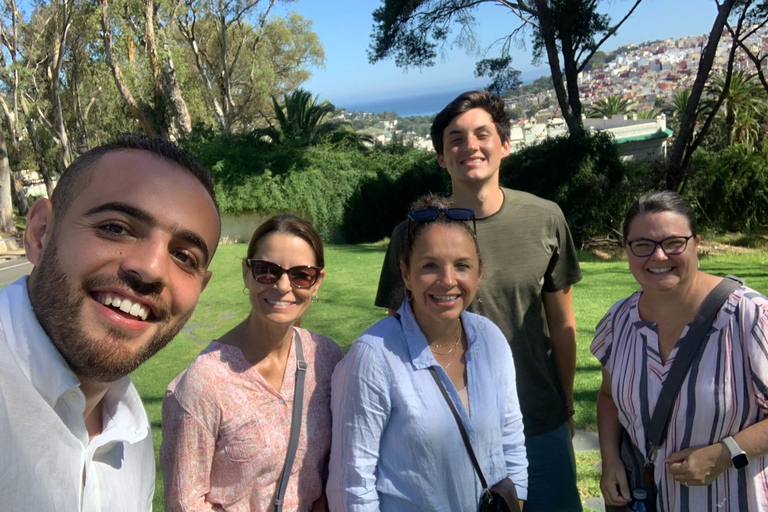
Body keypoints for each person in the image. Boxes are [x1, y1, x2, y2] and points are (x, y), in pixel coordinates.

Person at [374, 90, 582, 511]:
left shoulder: (545, 218)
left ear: (504, 144)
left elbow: (563, 325)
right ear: (439, 156)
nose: (469, 145)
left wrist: (567, 403)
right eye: (455, 138)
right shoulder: (412, 234)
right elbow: (397, 339)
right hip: (448, 429)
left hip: (540, 422)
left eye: (481, 134)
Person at [0, 134, 221, 511]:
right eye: (116, 228)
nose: (151, 269)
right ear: (40, 233)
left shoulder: (133, 439)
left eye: (184, 256)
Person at [328, 194, 527, 511]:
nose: (448, 281)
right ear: (406, 273)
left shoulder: (490, 339)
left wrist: (515, 500)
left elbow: (512, 439)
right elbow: (352, 486)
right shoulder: (374, 356)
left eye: (462, 265)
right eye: (430, 265)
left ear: (479, 272)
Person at [592, 191, 768, 511]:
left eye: (674, 242)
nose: (659, 257)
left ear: (696, 243)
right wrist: (610, 459)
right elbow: (608, 398)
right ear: (626, 250)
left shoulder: (749, 317)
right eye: (643, 244)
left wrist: (725, 454)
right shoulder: (618, 322)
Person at [161, 215, 343, 512]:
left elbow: (333, 465)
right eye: (267, 271)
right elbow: (185, 503)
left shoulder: (326, 358)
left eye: (301, 275)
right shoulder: (205, 383)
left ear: (317, 282)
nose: (284, 286)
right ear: (247, 273)